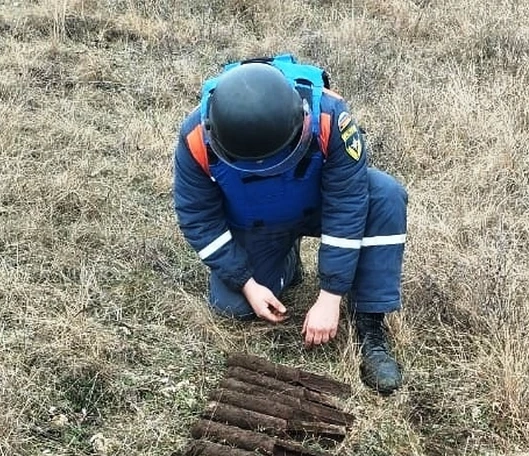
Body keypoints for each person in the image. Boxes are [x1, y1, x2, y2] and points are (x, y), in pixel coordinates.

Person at [172, 54, 408, 394]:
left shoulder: (330, 117)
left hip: (319, 205)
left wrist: (330, 295)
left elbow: (347, 204)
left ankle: (371, 324)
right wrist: (247, 282)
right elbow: (198, 217)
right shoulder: (196, 136)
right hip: (257, 221)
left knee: (384, 194)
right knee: (232, 306)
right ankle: (286, 259)